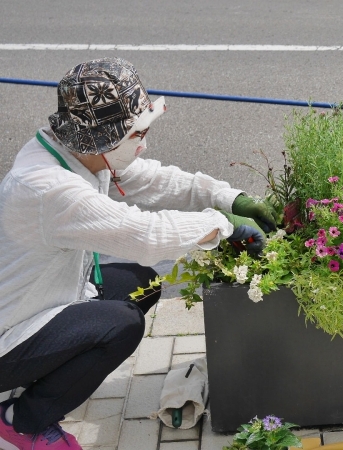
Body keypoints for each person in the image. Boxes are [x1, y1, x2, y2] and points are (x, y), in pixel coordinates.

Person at [0, 57, 278, 448]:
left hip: (44, 300)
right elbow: (145, 236)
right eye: (135, 134)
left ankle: (51, 377)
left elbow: (153, 180)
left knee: (141, 284)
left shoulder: (74, 152)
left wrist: (229, 197)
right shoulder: (49, 188)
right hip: (8, 333)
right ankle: (21, 420)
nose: (143, 143)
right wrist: (223, 227)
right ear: (99, 139)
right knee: (121, 324)